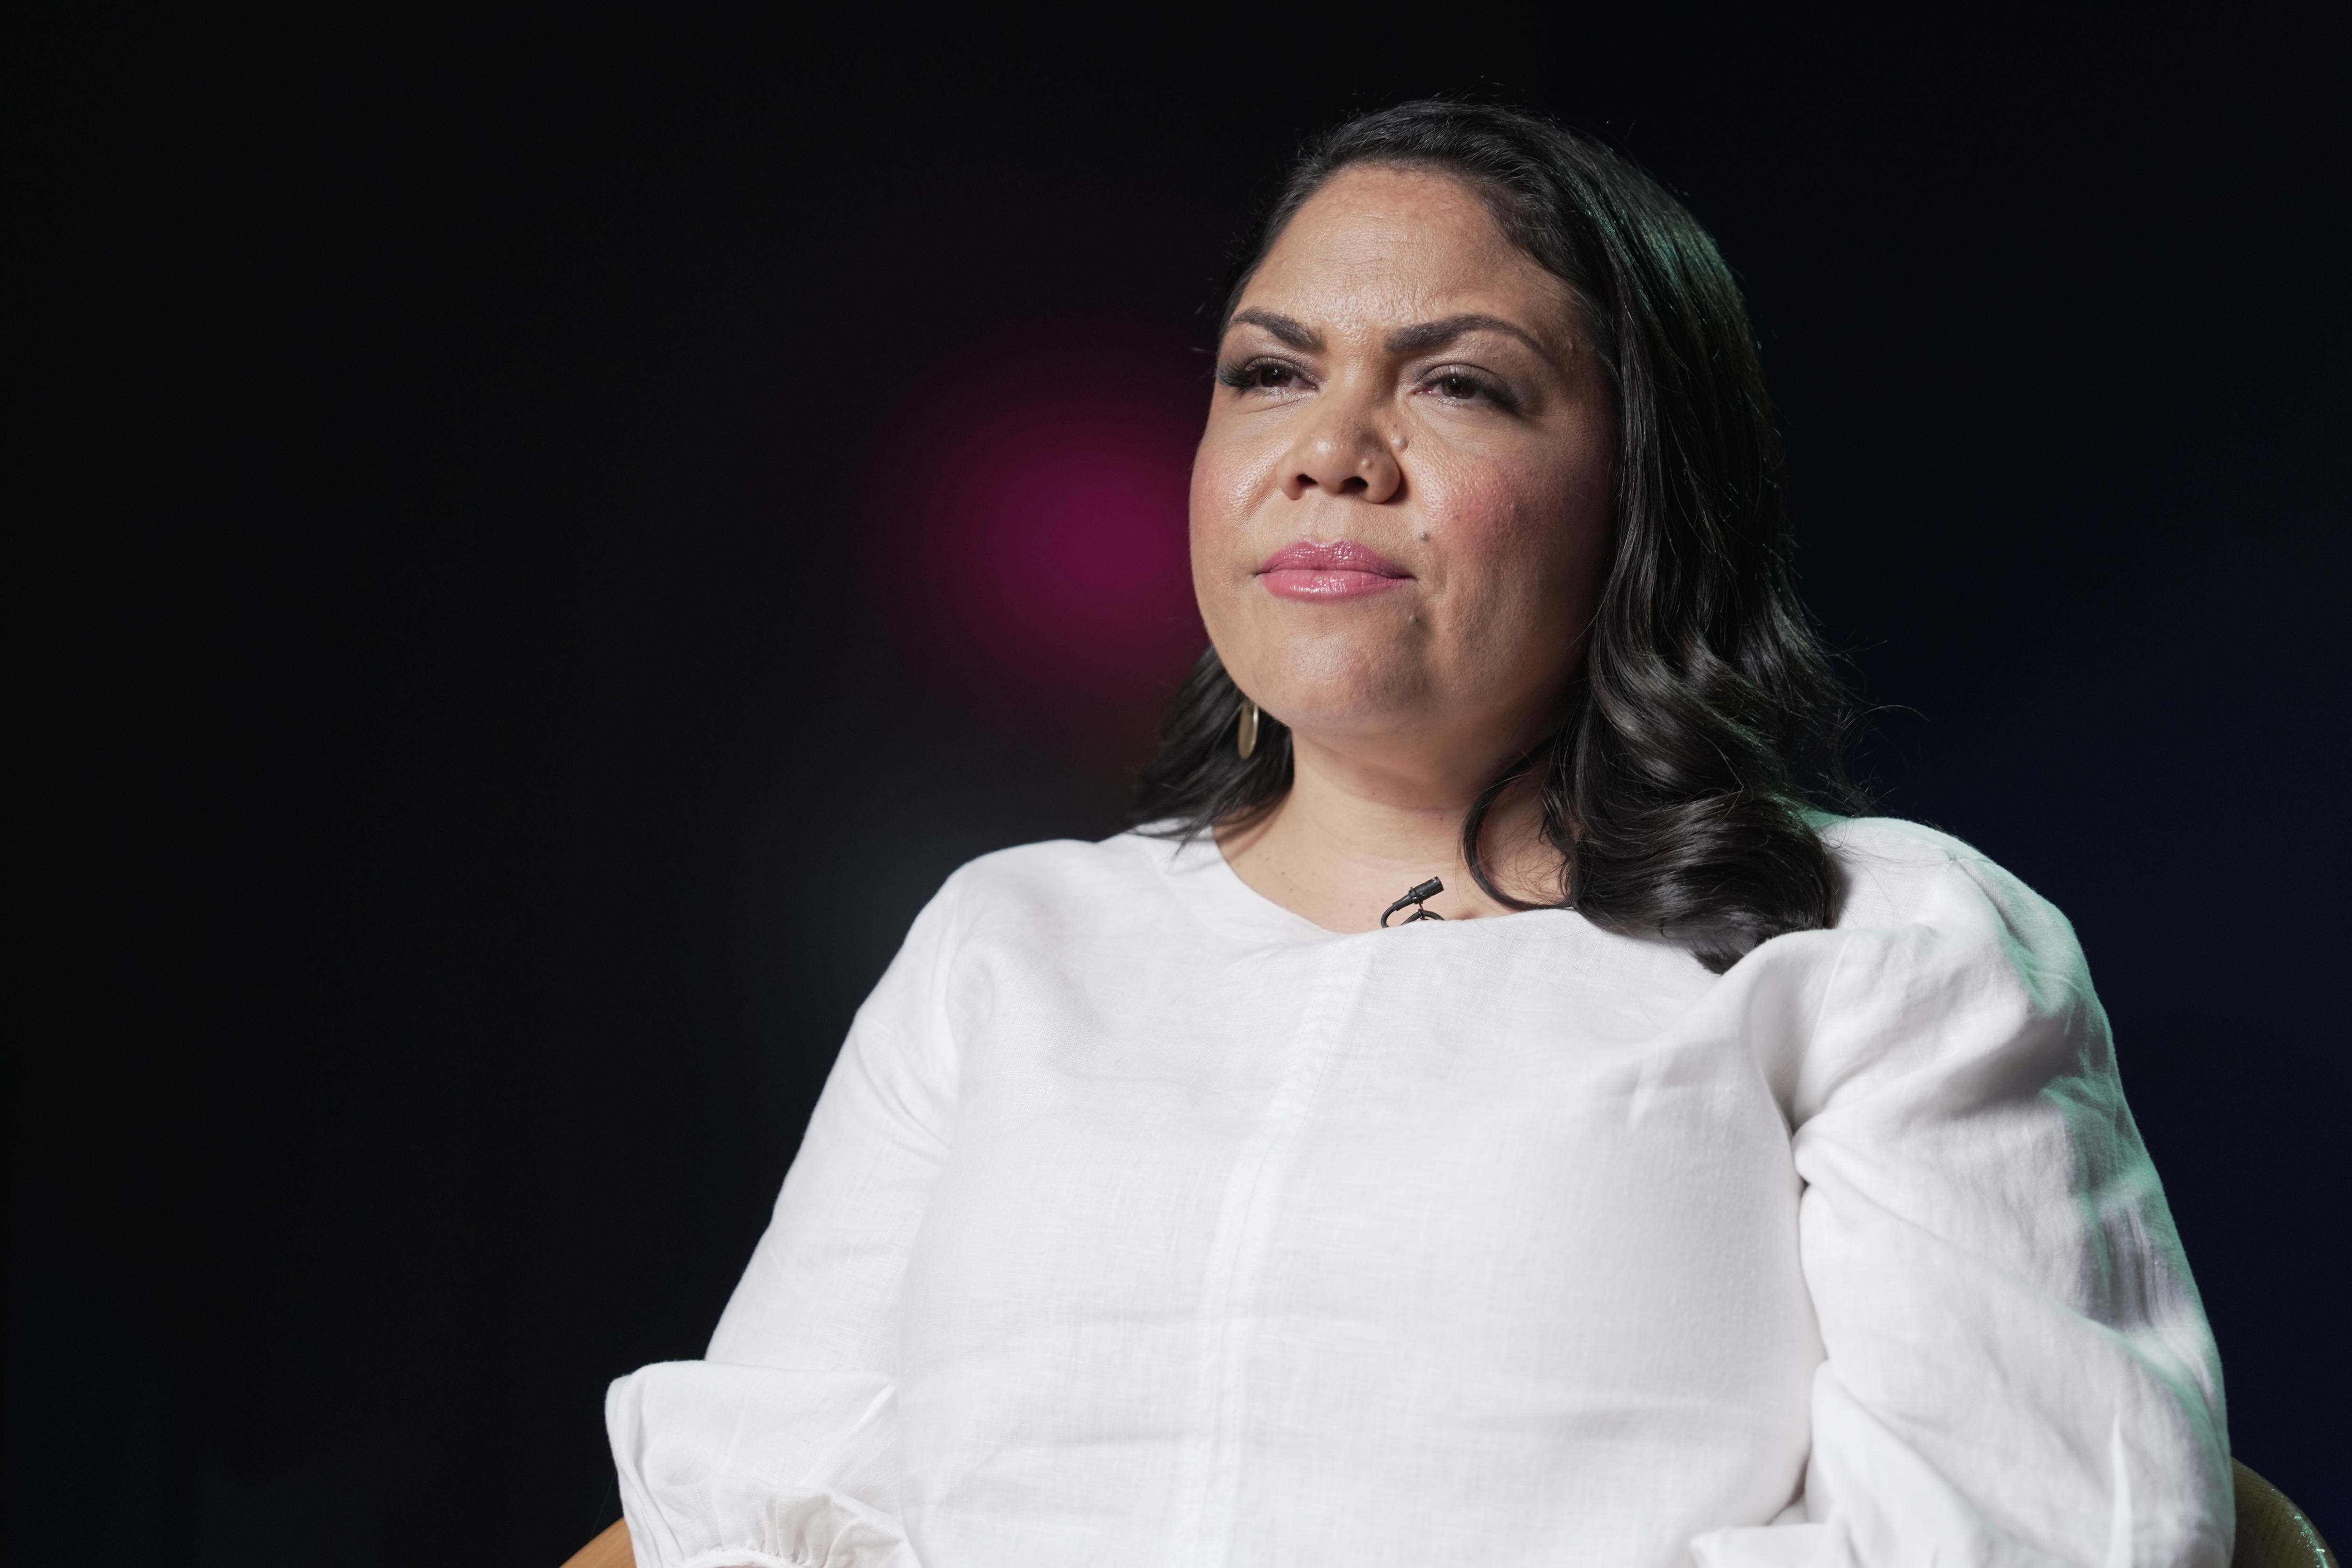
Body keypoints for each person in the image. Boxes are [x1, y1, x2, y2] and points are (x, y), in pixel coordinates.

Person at [591, 102, 2229, 1568]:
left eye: (1458, 384)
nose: (1330, 453)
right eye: (1270, 374)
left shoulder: (1879, 944)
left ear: (1644, 492)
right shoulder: (1006, 942)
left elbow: (2032, 1528)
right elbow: (740, 1513)